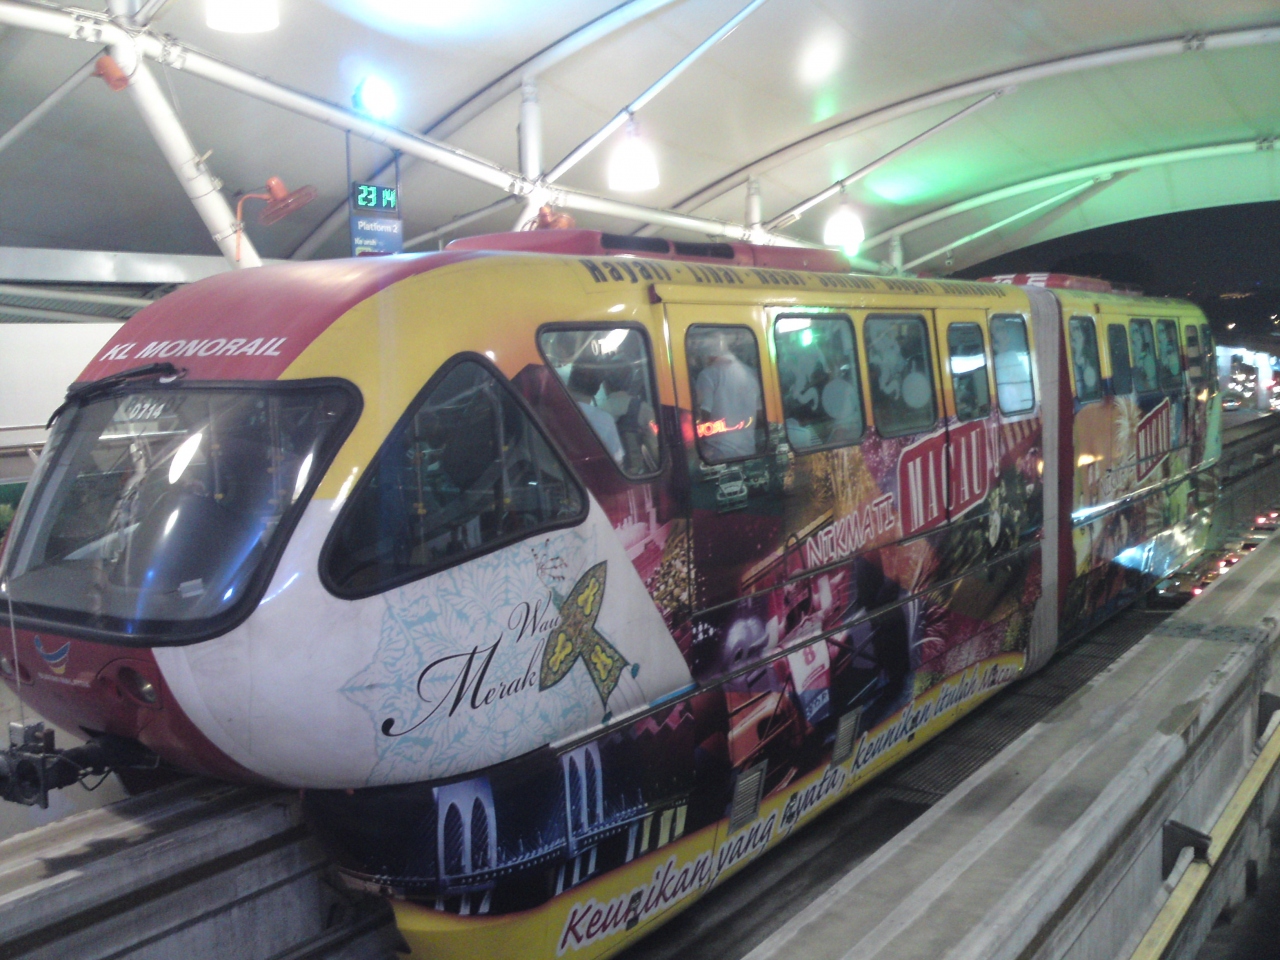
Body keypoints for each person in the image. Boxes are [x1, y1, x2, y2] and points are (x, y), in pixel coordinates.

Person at [693, 330, 762, 461]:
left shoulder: (708, 375)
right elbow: (760, 415)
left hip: (718, 455)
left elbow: (703, 416)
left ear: (706, 353)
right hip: (748, 452)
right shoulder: (750, 374)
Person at [566, 363, 624, 465]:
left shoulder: (552, 411)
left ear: (569, 383)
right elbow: (617, 460)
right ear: (597, 389)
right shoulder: (605, 420)